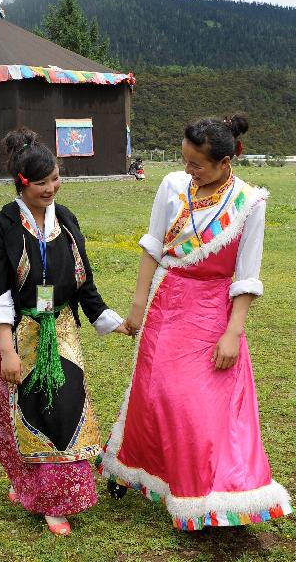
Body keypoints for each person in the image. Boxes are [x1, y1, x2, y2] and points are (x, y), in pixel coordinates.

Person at [97, 114, 292, 530]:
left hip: (212, 312)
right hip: (167, 304)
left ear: (225, 162)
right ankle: (132, 469)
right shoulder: (172, 186)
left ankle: (206, 496)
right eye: (185, 160)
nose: (188, 169)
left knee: (200, 405)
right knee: (155, 394)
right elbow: (152, 248)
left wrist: (232, 334)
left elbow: (246, 276)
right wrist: (137, 307)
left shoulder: (250, 202)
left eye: (197, 164)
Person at [0, 127, 128, 535]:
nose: (52, 188)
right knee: (20, 417)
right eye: (42, 182)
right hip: (16, 330)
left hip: (61, 329)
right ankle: (33, 489)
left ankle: (57, 497)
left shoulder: (67, 219)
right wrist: (8, 350)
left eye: (56, 178)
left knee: (66, 411)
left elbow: (83, 282)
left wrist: (114, 322)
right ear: (22, 184)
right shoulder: (0, 227)